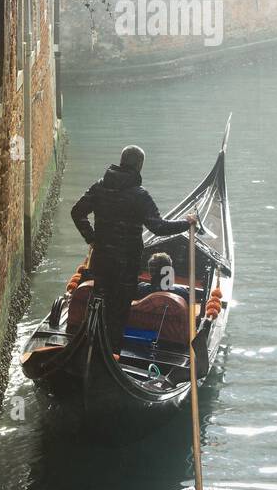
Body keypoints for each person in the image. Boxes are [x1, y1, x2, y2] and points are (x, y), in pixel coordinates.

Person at [70, 145, 194, 356]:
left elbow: (77, 212)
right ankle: (112, 355)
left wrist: (92, 239)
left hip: (101, 260)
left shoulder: (99, 187)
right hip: (126, 266)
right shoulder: (139, 195)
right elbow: (159, 227)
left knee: (99, 304)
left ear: (121, 162)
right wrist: (187, 223)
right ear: (139, 166)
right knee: (118, 312)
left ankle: (92, 351)